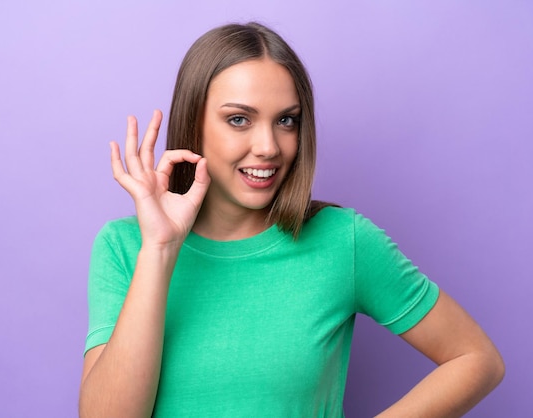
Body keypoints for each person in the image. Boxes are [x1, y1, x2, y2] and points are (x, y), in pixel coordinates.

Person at [79, 22, 504, 417]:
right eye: (239, 119)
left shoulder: (343, 241)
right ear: (194, 123)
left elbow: (477, 359)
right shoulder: (124, 246)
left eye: (286, 120)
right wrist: (160, 249)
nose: (268, 146)